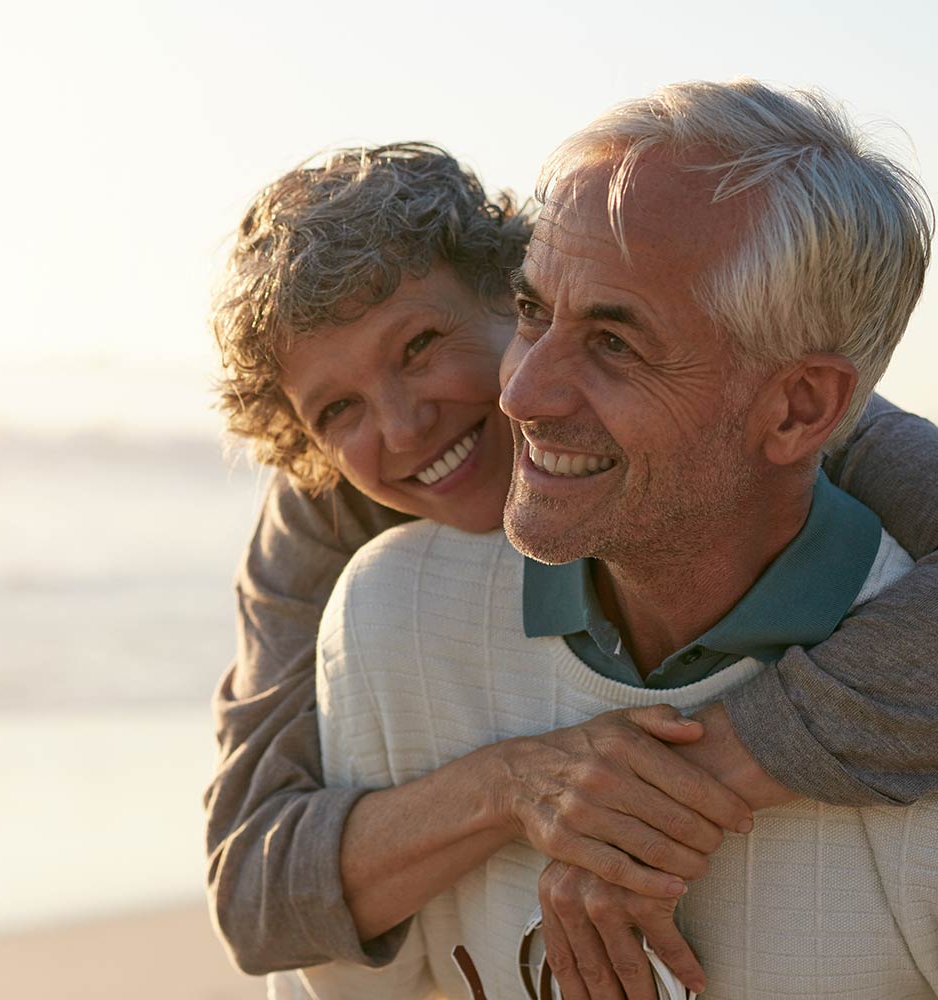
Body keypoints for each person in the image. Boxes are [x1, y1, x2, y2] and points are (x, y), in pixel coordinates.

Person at [199, 107, 938, 995]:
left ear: (511, 288)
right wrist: (520, 783)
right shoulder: (342, 540)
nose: (398, 426)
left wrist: (677, 786)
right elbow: (255, 894)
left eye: (422, 346)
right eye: (338, 411)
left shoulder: (820, 431)